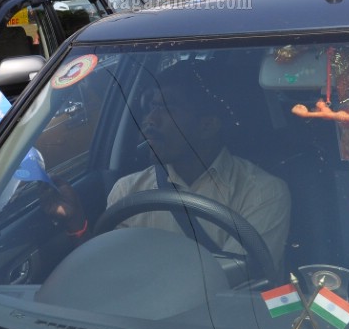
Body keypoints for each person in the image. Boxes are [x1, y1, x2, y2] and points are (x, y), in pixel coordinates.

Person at [105, 61, 291, 267]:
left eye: (167, 109)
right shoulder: (127, 192)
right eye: (152, 107)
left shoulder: (262, 193)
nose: (150, 120)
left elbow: (236, 282)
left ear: (207, 126)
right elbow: (114, 271)